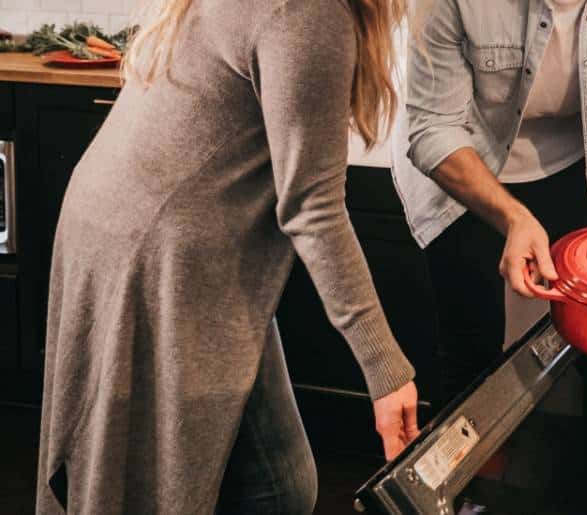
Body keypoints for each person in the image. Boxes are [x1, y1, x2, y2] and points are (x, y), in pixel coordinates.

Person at [36, 0, 420, 513]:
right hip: (160, 253)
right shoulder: (309, 12)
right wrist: (385, 370)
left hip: (120, 225)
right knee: (271, 488)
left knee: (280, 481)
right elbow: (314, 208)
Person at [393, 0, 587, 406]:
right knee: (474, 354)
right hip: (462, 163)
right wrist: (514, 218)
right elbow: (435, 128)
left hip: (579, 160)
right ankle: (484, 466)